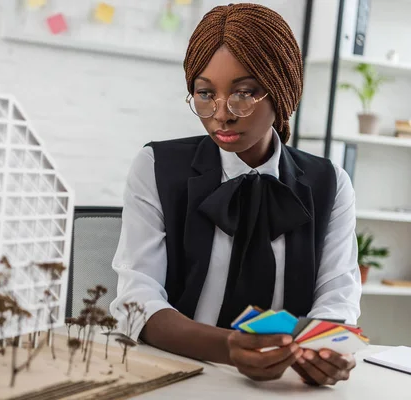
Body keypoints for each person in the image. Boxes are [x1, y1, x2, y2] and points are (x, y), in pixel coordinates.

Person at [109, 3, 361, 386]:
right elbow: (137, 301)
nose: (221, 113)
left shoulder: (330, 182)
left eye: (244, 92)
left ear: (282, 91)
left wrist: (326, 351)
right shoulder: (157, 166)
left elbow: (338, 296)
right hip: (177, 374)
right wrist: (228, 346)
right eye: (205, 93)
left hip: (285, 387)